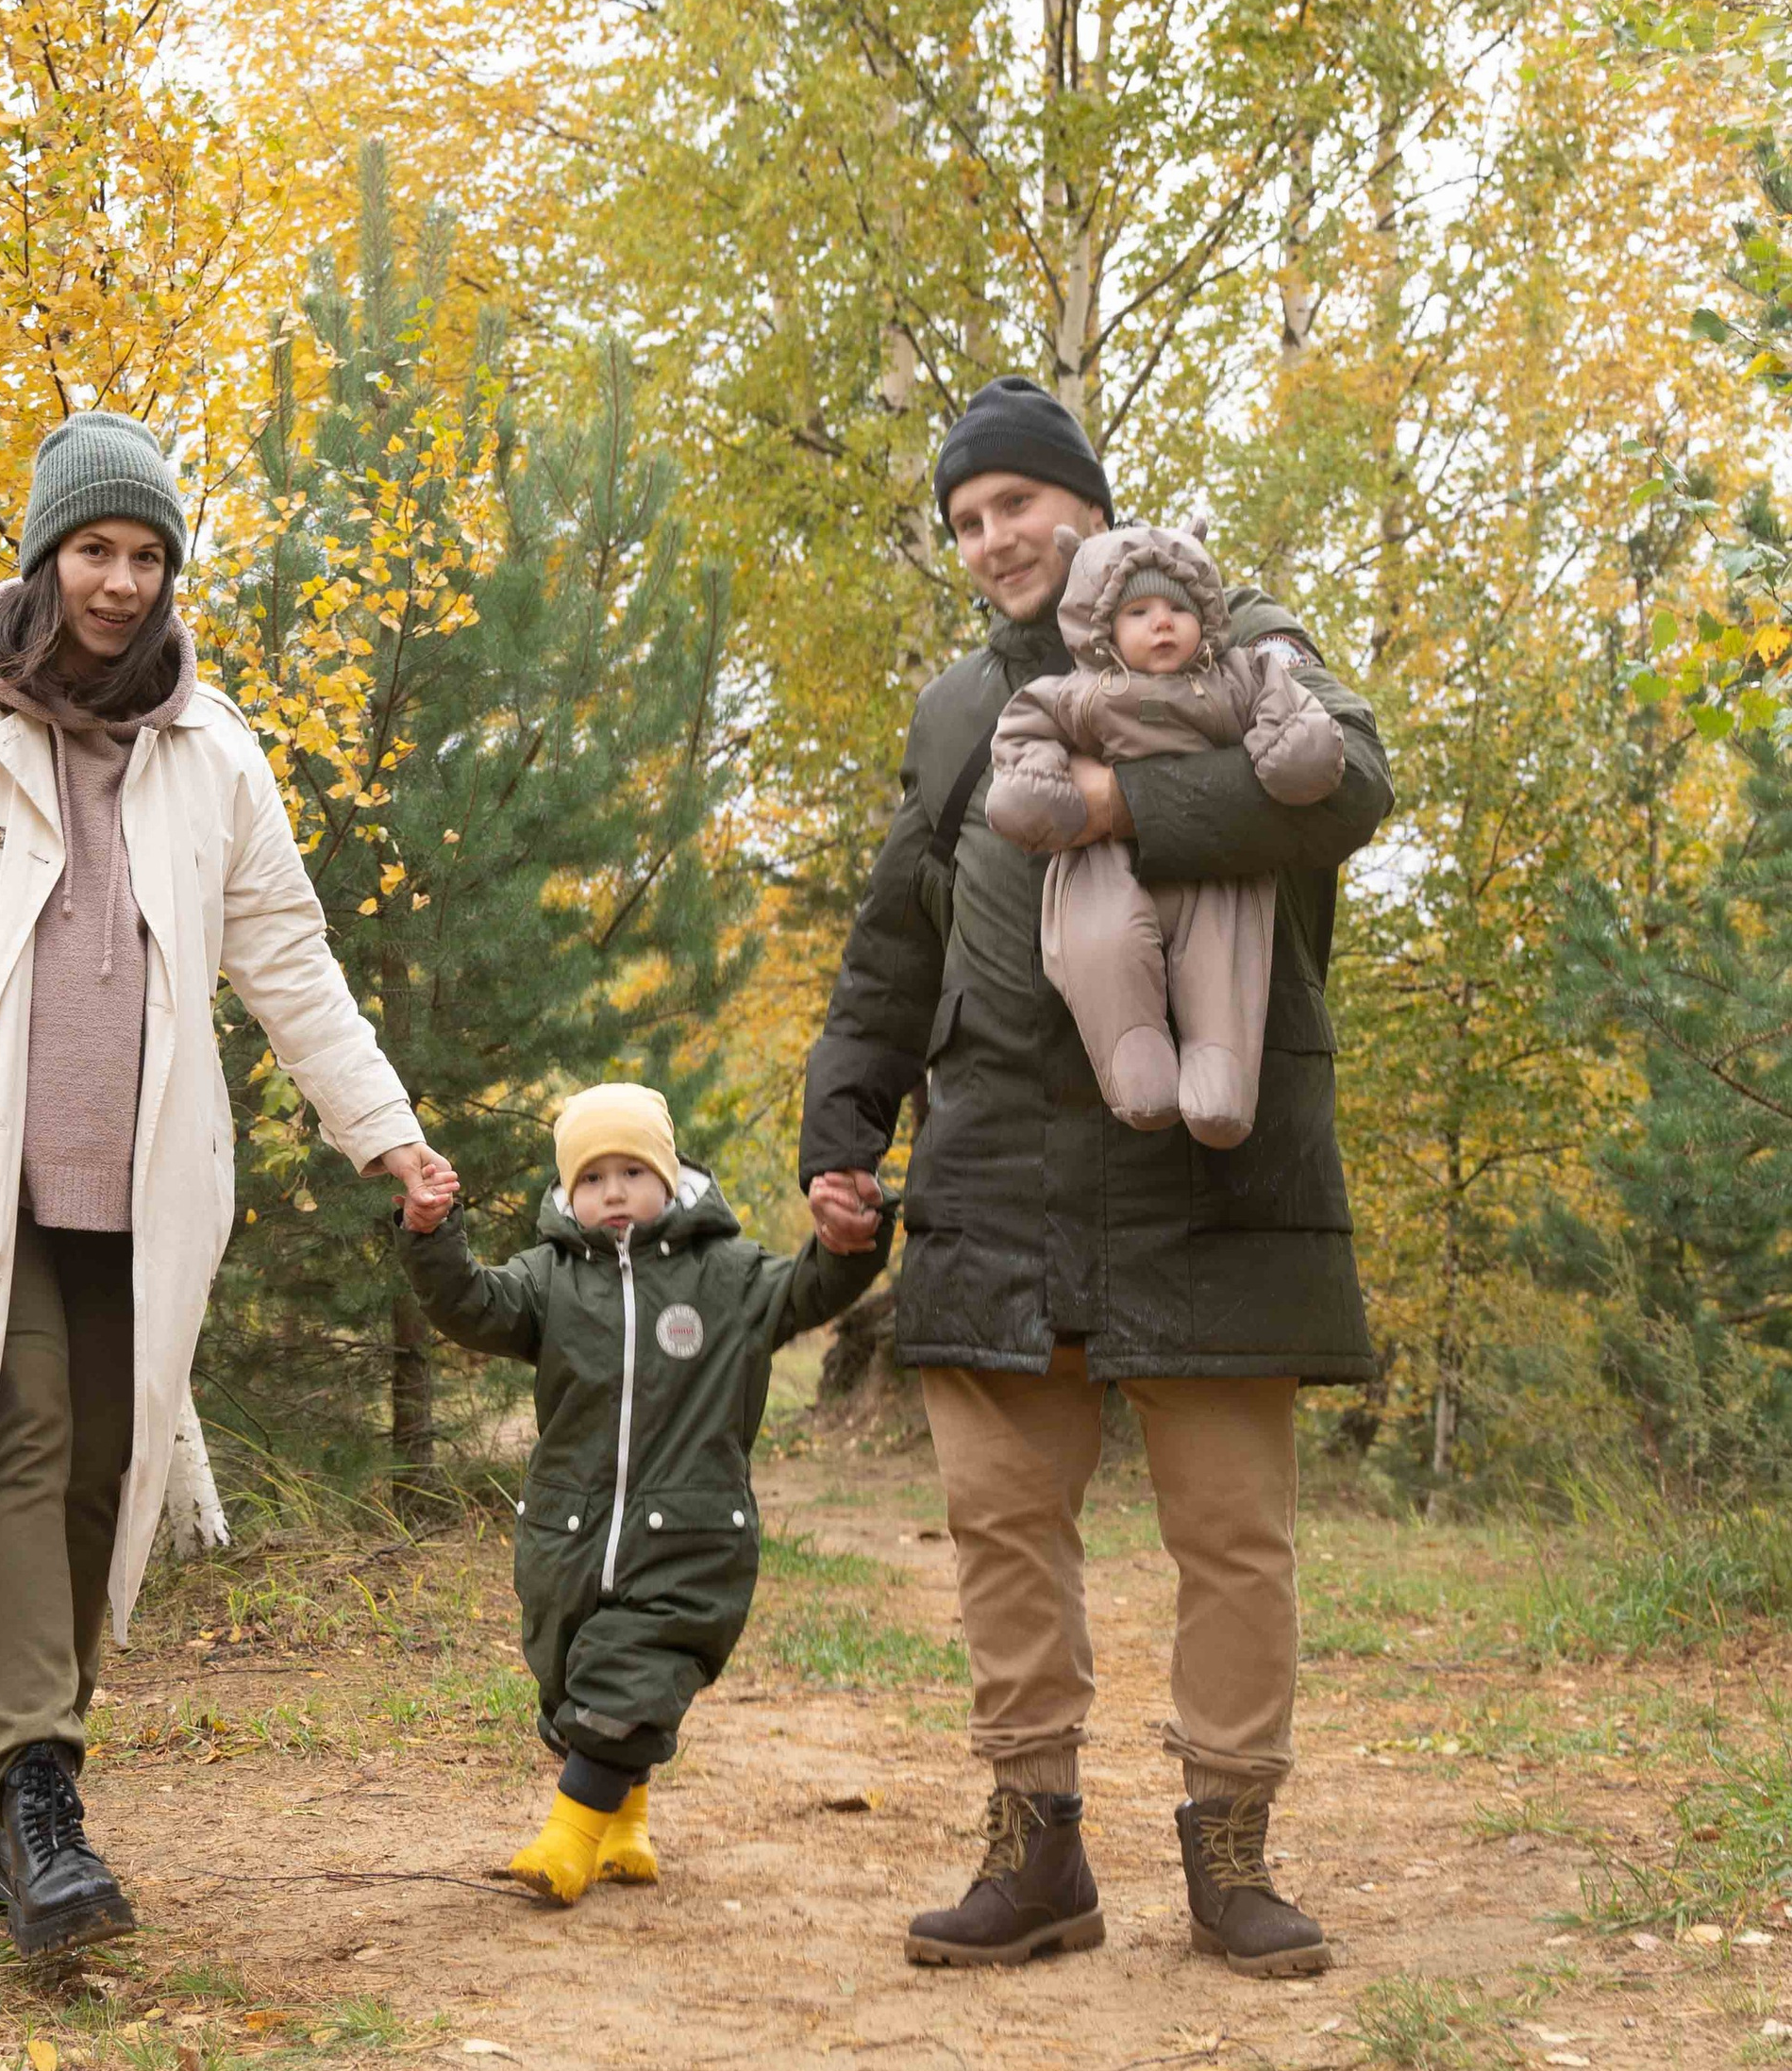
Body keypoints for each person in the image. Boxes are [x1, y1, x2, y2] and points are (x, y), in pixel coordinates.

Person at [0, 412, 454, 1956]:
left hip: (143, 1189)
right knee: (20, 1445)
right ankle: (40, 1794)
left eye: (149, 557)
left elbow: (288, 954)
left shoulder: (210, 754)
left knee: (98, 1476)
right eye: (97, 551)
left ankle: (22, 1813)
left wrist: (385, 1129)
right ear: (44, 556)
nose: (124, 584)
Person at [800, 378, 1392, 1979]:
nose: (994, 538)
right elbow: (893, 937)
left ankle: (1234, 1854)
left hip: (1209, 1155)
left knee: (1231, 1529)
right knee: (1002, 1518)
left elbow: (1347, 786)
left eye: (1018, 504)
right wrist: (841, 1126)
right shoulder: (953, 711)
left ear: (1090, 503)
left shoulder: (1222, 627)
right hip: (998, 1162)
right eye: (968, 520)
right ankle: (1036, 1849)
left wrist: (1114, 800)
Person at [395, 1081, 892, 1903]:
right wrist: (432, 1235)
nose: (613, 1191)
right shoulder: (547, 1279)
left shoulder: (726, 1275)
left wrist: (850, 1244)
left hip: (691, 1535)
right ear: (567, 1193)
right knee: (574, 1685)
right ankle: (625, 1827)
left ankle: (567, 1839)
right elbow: (470, 1304)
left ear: (671, 1179)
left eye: (631, 1171)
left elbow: (810, 1288)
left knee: (631, 1678)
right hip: (569, 1534)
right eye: (592, 1178)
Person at [985, 521, 1347, 1146]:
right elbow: (1026, 730)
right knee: (1104, 945)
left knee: (1225, 959)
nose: (1162, 622)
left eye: (1178, 607)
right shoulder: (1081, 690)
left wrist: (1292, 749)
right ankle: (1136, 1067)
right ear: (1102, 624)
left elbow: (1285, 702)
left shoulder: (1236, 672)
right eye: (1139, 610)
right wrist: (1039, 789)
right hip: (1104, 867)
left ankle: (1222, 1083)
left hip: (1218, 867)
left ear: (1205, 612)